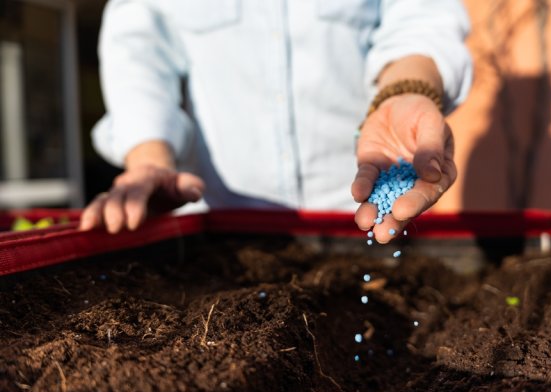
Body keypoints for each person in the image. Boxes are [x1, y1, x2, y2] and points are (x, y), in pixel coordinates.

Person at [80, 0, 472, 243]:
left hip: (358, 219)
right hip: (221, 230)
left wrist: (406, 90)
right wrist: (149, 157)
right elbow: (139, 47)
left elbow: (421, 15)